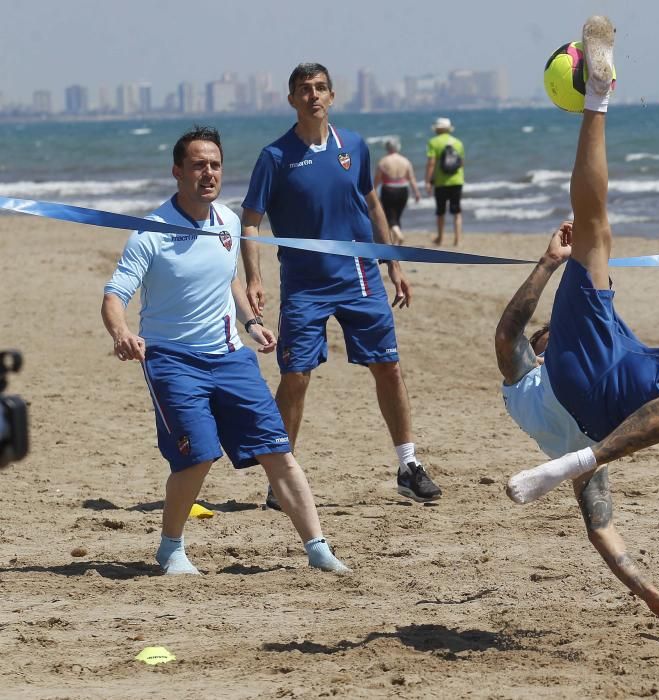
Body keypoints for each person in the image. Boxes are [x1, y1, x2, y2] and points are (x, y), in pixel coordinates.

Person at [495, 17, 659, 631]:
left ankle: (598, 98)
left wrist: (651, 595)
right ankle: (598, 97)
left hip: (604, 408)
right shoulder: (537, 376)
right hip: (593, 379)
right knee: (595, 226)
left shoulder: (534, 405)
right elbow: (512, 335)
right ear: (547, 347)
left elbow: (604, 532)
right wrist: (547, 266)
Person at [101, 126, 349, 575]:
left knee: (278, 451)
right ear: (178, 172)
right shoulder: (150, 231)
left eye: (214, 164)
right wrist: (121, 333)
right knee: (198, 455)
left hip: (232, 356)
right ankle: (171, 548)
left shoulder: (229, 222)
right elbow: (114, 295)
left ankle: (317, 546)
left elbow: (228, 278)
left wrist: (251, 322)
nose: (208, 172)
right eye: (198, 164)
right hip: (172, 360)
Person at [240, 63, 442, 506]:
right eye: (304, 89)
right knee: (295, 376)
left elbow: (371, 204)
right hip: (304, 285)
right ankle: (280, 477)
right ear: (291, 99)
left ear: (331, 96)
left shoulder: (354, 145)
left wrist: (394, 264)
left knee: (388, 367)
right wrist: (254, 276)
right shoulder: (275, 157)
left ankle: (408, 465)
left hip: (359, 277)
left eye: (320, 88)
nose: (313, 95)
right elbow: (250, 221)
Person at [425, 117, 465, 246]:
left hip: (440, 182)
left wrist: (428, 181)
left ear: (437, 129)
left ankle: (440, 238)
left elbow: (431, 163)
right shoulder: (458, 142)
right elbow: (461, 163)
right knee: (457, 211)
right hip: (457, 180)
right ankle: (457, 240)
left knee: (440, 211)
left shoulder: (433, 142)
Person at [373, 137, 421, 245]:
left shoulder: (383, 161)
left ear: (387, 148)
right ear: (398, 147)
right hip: (403, 190)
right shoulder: (405, 161)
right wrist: (416, 192)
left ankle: (398, 235)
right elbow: (411, 178)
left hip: (389, 190)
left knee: (389, 216)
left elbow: (377, 178)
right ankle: (395, 242)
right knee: (397, 216)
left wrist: (374, 191)